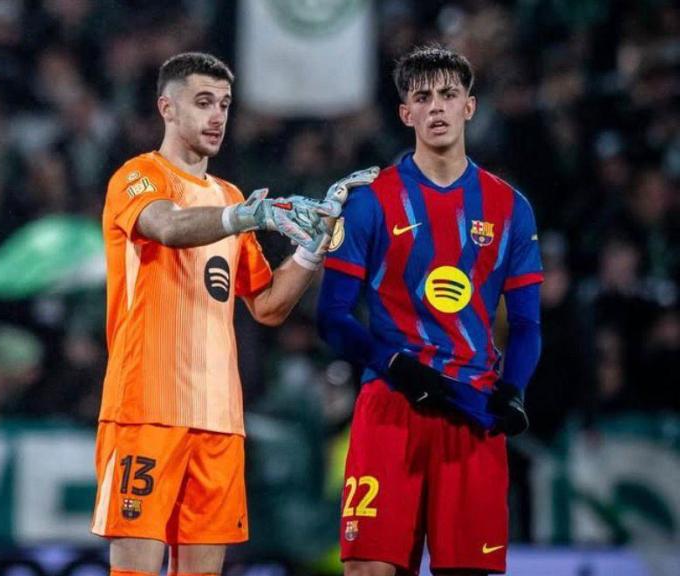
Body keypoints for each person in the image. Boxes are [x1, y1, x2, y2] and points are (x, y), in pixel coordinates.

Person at [90, 51, 378, 576]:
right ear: (167, 108)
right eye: (203, 103)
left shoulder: (228, 195)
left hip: (221, 420)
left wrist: (312, 249)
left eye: (224, 104)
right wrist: (246, 215)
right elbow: (170, 228)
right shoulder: (137, 177)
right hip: (146, 409)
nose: (218, 115)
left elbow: (267, 306)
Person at [317, 45, 543, 576]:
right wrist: (394, 365)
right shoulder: (371, 200)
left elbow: (529, 323)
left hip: (472, 411)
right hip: (390, 407)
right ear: (407, 114)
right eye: (423, 97)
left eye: (448, 94)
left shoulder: (510, 206)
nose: (436, 107)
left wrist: (513, 390)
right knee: (369, 569)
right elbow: (332, 315)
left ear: (469, 105)